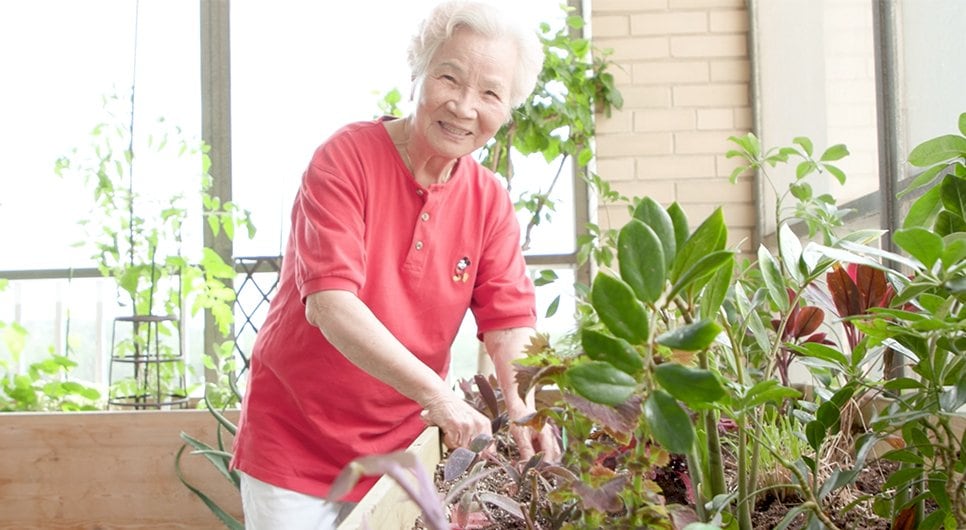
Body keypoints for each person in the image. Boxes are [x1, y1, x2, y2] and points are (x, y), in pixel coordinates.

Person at [230, 1, 559, 528]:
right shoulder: (344, 160)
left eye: (491, 93)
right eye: (450, 78)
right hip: (296, 441)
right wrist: (439, 396)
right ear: (419, 74)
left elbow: (509, 321)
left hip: (402, 450)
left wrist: (523, 401)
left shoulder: (489, 199)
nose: (465, 106)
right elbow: (331, 306)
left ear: (509, 107)